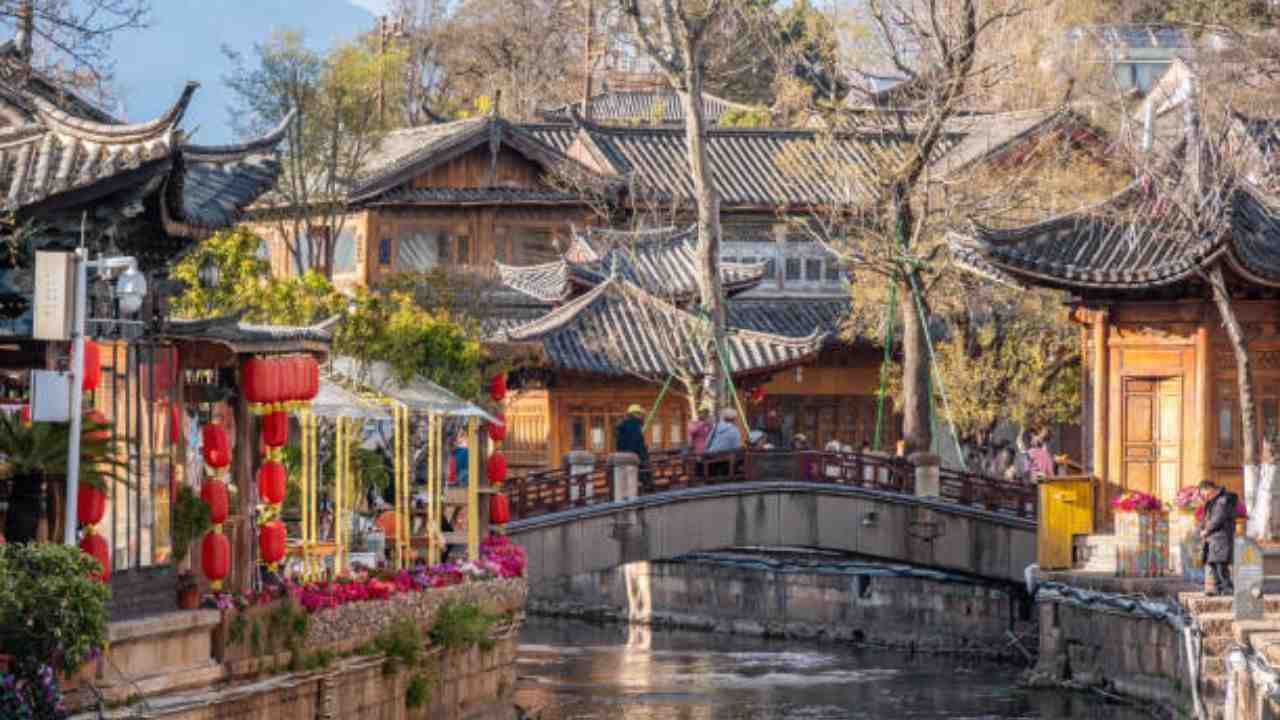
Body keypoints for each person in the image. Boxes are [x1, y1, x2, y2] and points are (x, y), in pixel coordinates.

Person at [1200, 479, 1239, 597]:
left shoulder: (1222, 500)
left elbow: (1218, 518)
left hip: (1221, 537)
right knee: (1213, 563)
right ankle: (1217, 588)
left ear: (1209, 489)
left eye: (1204, 493)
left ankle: (1227, 588)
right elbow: (1208, 517)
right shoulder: (1214, 500)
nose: (1204, 496)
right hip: (1214, 538)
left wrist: (1207, 530)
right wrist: (1203, 528)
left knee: (1220, 564)